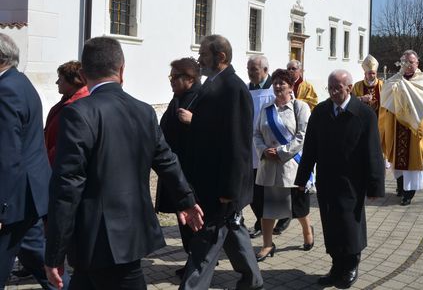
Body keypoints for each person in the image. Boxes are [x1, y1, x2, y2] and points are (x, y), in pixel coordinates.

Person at [44, 37, 203, 290]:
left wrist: (53, 252)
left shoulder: (78, 112)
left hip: (98, 237)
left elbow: (67, 185)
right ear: (121, 70)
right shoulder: (143, 110)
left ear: (84, 74)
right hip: (123, 235)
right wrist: (187, 200)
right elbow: (166, 160)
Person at [179, 34, 263, 290]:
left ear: (221, 57)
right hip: (209, 179)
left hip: (221, 184)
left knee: (207, 239)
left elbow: (237, 144)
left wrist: (229, 190)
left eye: (204, 54)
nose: (199, 59)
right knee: (232, 231)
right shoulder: (213, 84)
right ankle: (253, 279)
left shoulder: (233, 89)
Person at [295, 70, 384, 289]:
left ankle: (351, 264)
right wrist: (302, 177)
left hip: (352, 180)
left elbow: (373, 151)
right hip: (327, 178)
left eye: (338, 88)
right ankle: (336, 265)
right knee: (331, 223)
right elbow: (310, 147)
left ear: (349, 88)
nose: (334, 92)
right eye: (331, 88)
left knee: (349, 224)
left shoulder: (364, 114)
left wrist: (375, 185)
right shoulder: (321, 112)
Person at [0, 33, 69, 290]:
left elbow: (8, 154)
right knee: (36, 256)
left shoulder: (6, 90)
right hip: (29, 193)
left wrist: (2, 207)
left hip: (15, 198)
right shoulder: (20, 82)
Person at [254, 69, 314, 262]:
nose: (278, 86)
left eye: (282, 83)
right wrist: (263, 150)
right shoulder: (266, 109)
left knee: (298, 208)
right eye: (276, 82)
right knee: (268, 208)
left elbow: (302, 136)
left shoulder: (300, 107)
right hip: (269, 166)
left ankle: (307, 231)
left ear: (291, 86)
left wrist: (280, 152)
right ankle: (267, 244)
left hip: (292, 166)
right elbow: (256, 134)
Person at [156, 57, 202, 277]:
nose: (171, 81)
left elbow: (218, 134)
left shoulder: (202, 99)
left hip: (193, 174)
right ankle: (194, 261)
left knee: (195, 223)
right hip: (176, 171)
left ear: (190, 79)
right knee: (184, 222)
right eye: (171, 76)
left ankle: (199, 264)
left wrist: (195, 122)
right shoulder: (178, 97)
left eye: (175, 77)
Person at [379, 50, 423, 206]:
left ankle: (409, 193)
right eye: (405, 62)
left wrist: (404, 89)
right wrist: (398, 88)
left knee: (412, 160)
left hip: (414, 127)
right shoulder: (394, 80)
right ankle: (401, 186)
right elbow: (386, 99)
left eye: (411, 62)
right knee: (397, 159)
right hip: (397, 126)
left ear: (417, 63)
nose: (408, 65)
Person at [276, 59, 319, 235]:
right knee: (283, 188)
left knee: (298, 189)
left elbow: (313, 103)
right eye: (289, 69)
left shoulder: (306, 87)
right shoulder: (279, 92)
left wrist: (296, 103)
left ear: (300, 71)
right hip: (282, 144)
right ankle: (283, 217)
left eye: (294, 69)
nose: (291, 71)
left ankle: (307, 230)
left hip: (299, 144)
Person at [246, 56, 275, 240]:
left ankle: (265, 226)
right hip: (249, 146)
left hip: (267, 146)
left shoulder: (275, 89)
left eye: (254, 69)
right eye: (248, 69)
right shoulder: (245, 89)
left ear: (265, 70)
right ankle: (261, 220)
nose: (250, 72)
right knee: (251, 190)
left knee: (264, 191)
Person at [44, 61, 89, 165]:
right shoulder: (66, 101)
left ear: (73, 81)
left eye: (60, 78)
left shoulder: (80, 106)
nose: (57, 82)